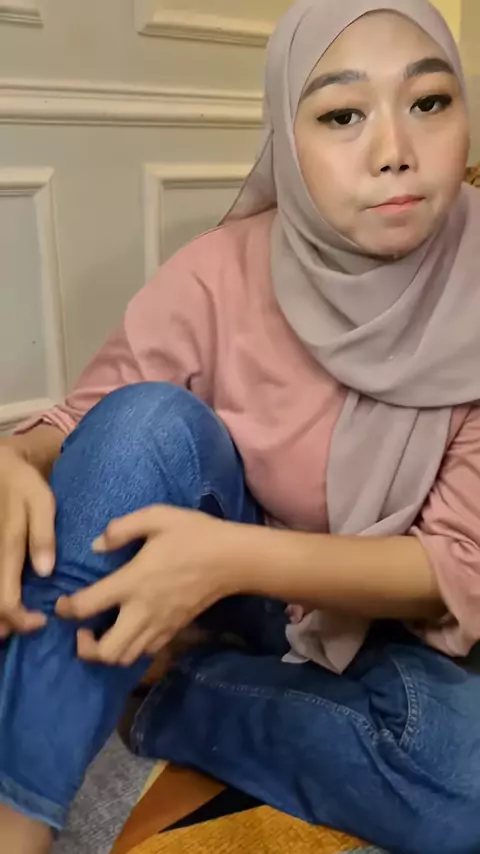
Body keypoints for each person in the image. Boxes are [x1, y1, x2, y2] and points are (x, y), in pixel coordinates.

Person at [1, 1, 480, 852]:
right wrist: (15, 455)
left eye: (429, 102)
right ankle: (16, 817)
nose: (394, 149)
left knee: (466, 776)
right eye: (342, 114)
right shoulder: (219, 269)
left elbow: (453, 568)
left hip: (390, 620)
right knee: (143, 422)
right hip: (241, 591)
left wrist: (226, 560)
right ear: (286, 139)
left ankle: (174, 686)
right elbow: (90, 421)